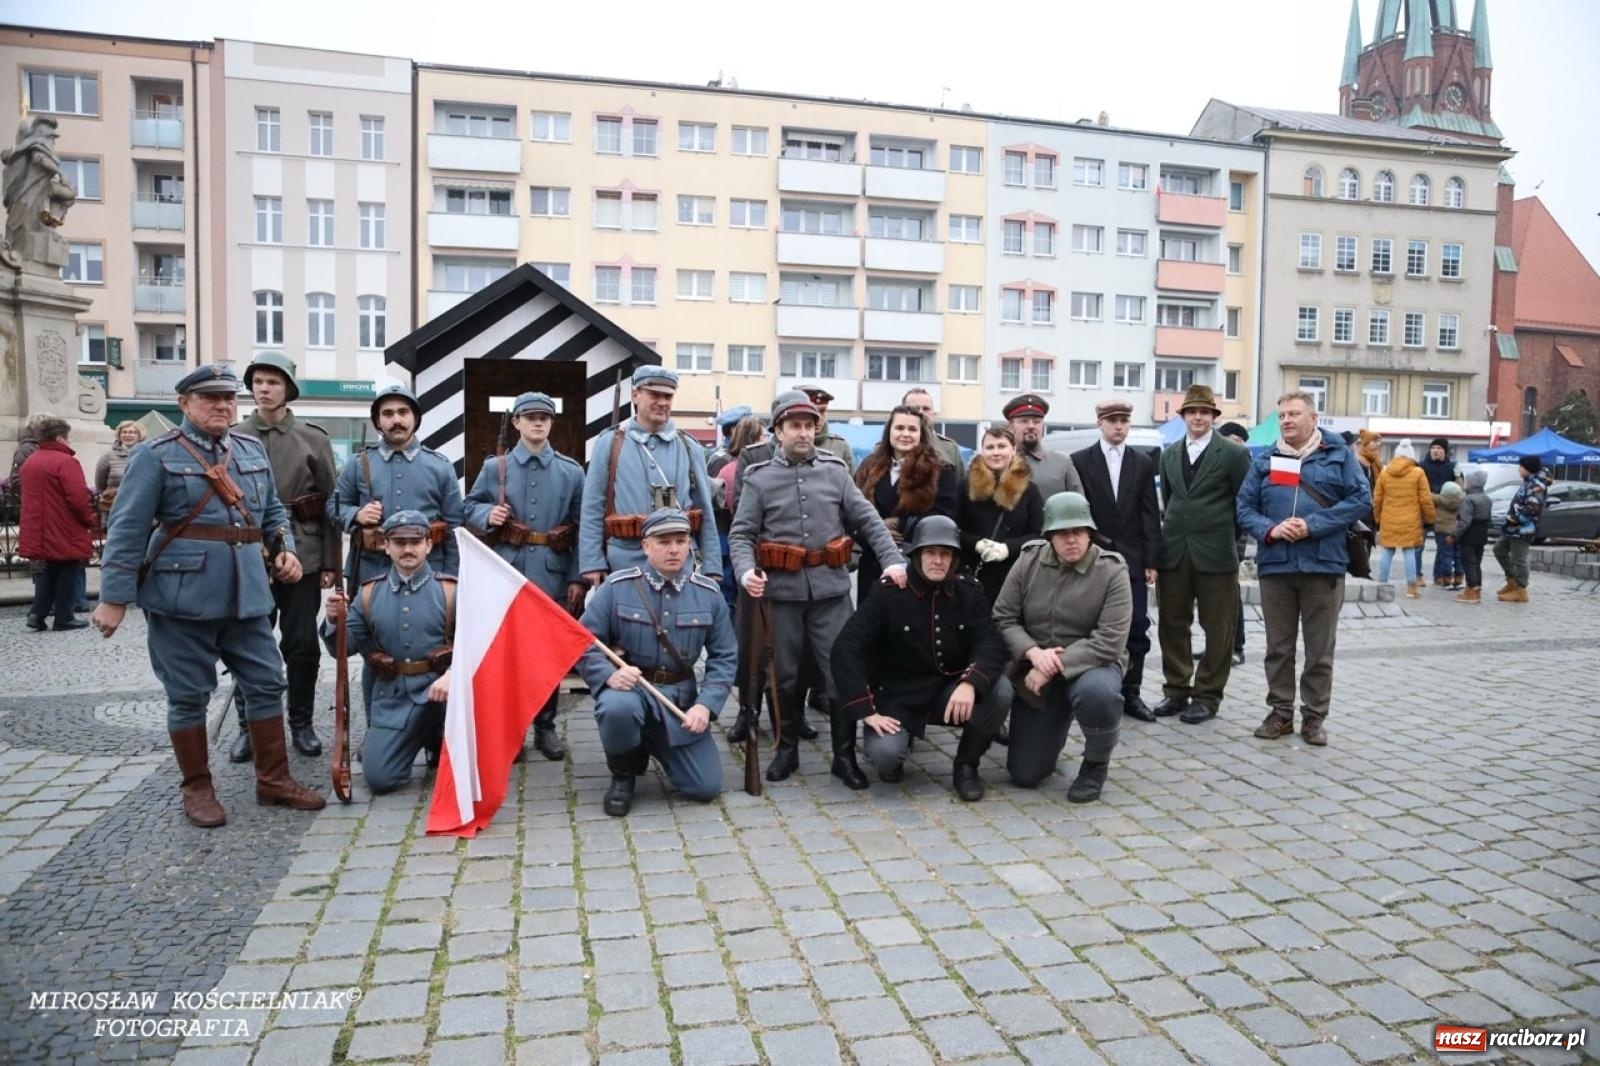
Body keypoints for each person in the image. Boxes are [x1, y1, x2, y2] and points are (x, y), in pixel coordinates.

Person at [93, 365, 324, 827]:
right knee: (188, 694)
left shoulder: (249, 448)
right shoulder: (154, 456)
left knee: (266, 682)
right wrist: (113, 597)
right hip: (183, 596)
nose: (222, 406)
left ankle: (273, 780)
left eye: (227, 399)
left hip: (248, 594)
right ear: (185, 405)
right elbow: (127, 528)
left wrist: (286, 550)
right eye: (209, 399)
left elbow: (273, 511)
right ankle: (197, 789)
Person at [730, 392, 906, 786]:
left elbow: (868, 520)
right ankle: (787, 748)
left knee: (840, 672)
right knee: (785, 674)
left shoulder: (834, 471)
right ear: (778, 431)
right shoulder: (759, 478)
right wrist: (745, 573)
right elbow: (741, 535)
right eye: (795, 426)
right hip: (782, 594)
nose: (804, 433)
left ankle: (843, 757)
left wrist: (893, 560)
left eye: (810, 426)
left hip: (830, 592)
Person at [831, 516, 1009, 799]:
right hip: (898, 696)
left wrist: (970, 683)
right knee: (885, 757)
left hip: (949, 691)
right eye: (930, 552)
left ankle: (966, 766)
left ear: (953, 559)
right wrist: (865, 709)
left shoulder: (969, 592)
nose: (938, 560)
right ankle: (901, 742)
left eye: (945, 554)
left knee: (1000, 691)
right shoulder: (888, 592)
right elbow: (846, 648)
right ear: (916, 555)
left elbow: (989, 642)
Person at [1236, 391, 1371, 746]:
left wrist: (1313, 524)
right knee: (1277, 648)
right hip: (1276, 565)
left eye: (1294, 414)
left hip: (1323, 565)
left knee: (1319, 650)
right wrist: (1271, 529)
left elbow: (1360, 500)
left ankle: (1314, 718)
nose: (1286, 421)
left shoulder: (1339, 455)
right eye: (1281, 416)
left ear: (1314, 417)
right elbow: (1244, 507)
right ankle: (1280, 713)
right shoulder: (1266, 459)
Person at [578, 508, 734, 816]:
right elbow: (582, 640)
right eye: (663, 541)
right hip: (632, 691)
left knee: (704, 787)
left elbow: (725, 656)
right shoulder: (617, 588)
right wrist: (608, 675)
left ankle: (652, 742)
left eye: (681, 540)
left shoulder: (708, 594)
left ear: (690, 544)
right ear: (646, 546)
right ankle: (623, 773)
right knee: (616, 708)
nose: (674, 549)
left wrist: (706, 705)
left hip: (679, 701)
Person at [228, 351, 339, 763]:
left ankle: (301, 723)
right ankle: (250, 727)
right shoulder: (235, 436)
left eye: (273, 382)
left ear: (288, 388)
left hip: (304, 552)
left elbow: (331, 503)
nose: (264, 389)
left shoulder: (313, 438)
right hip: (247, 554)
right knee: (246, 643)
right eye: (258, 381)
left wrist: (329, 561)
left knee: (302, 643)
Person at [464, 391, 585, 761]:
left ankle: (545, 727)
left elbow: (582, 528)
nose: (537, 423)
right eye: (529, 417)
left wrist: (577, 577)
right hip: (507, 570)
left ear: (551, 423)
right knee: (508, 654)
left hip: (552, 572)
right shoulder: (494, 469)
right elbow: (468, 506)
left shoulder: (571, 471)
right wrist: (488, 515)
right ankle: (511, 729)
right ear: (516, 422)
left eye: (544, 418)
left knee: (546, 655)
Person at [993, 492, 1131, 803]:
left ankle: (1095, 764)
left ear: (1090, 533)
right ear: (1049, 536)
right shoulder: (1028, 561)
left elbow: (1110, 641)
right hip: (1036, 665)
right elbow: (1003, 616)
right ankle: (1055, 724)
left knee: (1099, 693)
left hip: (1093, 665)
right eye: (1062, 533)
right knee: (1025, 774)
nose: (1071, 540)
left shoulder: (1112, 570)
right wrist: (1032, 653)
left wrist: (1052, 666)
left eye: (1078, 531)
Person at [322, 511, 456, 794]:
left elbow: (478, 647)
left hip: (444, 698)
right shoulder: (369, 593)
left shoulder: (450, 591)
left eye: (415, 541)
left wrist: (453, 675)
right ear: (386, 545)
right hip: (393, 699)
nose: (408, 549)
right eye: (399, 542)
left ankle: (437, 737)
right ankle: (414, 738)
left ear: (428, 545)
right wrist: (335, 620)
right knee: (380, 778)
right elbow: (341, 650)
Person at [1154, 385, 1252, 724]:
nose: (1198, 417)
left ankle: (1208, 695)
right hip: (1175, 552)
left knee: (1218, 626)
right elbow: (1169, 500)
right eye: (1192, 412)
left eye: (1205, 412)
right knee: (1172, 623)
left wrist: (1225, 537)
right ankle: (1176, 690)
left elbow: (1244, 504)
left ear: (1213, 417)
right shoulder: (1168, 455)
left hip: (1217, 553)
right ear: (1183, 417)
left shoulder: (1234, 454)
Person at [580, 366, 720, 584]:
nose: (662, 402)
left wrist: (712, 567)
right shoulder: (610, 443)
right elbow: (592, 506)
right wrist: (592, 561)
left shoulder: (688, 446)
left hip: (679, 565)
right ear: (635, 395)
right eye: (654, 394)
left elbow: (705, 510)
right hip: (625, 562)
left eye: (668, 396)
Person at [1071, 401, 1163, 721]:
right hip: (1093, 557)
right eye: (1112, 421)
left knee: (1137, 625)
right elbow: (1078, 510)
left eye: (1124, 420)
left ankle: (1132, 692)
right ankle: (1094, 689)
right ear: (1100, 423)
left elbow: (1150, 513)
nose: (1119, 426)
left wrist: (1152, 559)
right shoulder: (1081, 461)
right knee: (1092, 625)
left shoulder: (1142, 461)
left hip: (1133, 559)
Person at [330, 384, 464, 581]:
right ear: (378, 421)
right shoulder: (358, 464)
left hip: (429, 572)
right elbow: (333, 508)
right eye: (388, 414)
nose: (396, 420)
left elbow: (455, 528)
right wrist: (356, 514)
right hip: (372, 571)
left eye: (403, 412)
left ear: (415, 418)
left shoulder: (440, 466)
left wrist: (451, 578)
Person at [852, 404, 958, 601]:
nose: (905, 434)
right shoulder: (869, 466)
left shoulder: (941, 469)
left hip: (917, 562)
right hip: (873, 562)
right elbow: (852, 511)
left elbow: (945, 514)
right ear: (889, 431)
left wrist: (900, 524)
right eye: (899, 428)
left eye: (912, 429)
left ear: (921, 434)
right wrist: (875, 531)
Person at [18, 416, 95, 632]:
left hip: (40, 526)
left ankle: (37, 614)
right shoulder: (65, 462)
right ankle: (64, 617)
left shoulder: (31, 461)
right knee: (68, 570)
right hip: (63, 526)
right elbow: (77, 497)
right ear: (61, 438)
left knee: (50, 571)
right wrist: (89, 519)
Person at [957, 425, 1043, 608]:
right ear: (982, 451)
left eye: (1001, 446)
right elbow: (954, 529)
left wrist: (1008, 548)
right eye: (990, 447)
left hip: (1014, 577)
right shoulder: (965, 486)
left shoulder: (1030, 490)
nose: (996, 452)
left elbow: (1037, 535)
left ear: (1013, 450)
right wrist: (976, 544)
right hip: (973, 575)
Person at [1372, 439, 1433, 598]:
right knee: (1409, 551)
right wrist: (1430, 518)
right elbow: (1425, 499)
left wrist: (1377, 517)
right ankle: (1411, 588)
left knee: (1387, 550)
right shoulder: (1418, 473)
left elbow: (1377, 498)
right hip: (1410, 519)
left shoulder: (1385, 473)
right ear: (1411, 456)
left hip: (1389, 518)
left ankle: (1381, 583)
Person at [1216, 421, 1252, 666]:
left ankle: (1236, 647)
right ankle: (1218, 646)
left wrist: (1233, 533)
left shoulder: (1242, 461)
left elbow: (1245, 502)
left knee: (1231, 593)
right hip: (1218, 536)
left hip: (1233, 537)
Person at [1493, 455, 1551, 604]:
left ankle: (1521, 590)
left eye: (1521, 467)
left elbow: (1533, 507)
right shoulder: (1528, 482)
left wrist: (1516, 519)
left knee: (1519, 559)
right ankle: (1512, 581)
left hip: (1523, 528)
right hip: (1513, 528)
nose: (1519, 469)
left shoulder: (1536, 485)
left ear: (1528, 468)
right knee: (1499, 549)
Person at [1002, 393, 1085, 497]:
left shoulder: (1062, 463)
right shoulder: (998, 462)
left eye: (1037, 422)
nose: (1031, 426)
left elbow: (1078, 506)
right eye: (1024, 421)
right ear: (1010, 427)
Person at [1420, 438, 1464, 584]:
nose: (1435, 451)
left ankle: (1440, 576)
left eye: (1439, 448)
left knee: (1443, 547)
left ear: (1445, 451)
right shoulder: (1422, 467)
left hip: (1445, 514)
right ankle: (1416, 575)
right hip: (1424, 511)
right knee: (1418, 546)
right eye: (1433, 448)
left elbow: (1459, 491)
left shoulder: (1452, 468)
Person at [1450, 469, 1493, 604]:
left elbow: (1465, 521)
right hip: (1482, 534)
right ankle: (1477, 588)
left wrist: (1454, 535)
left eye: (1466, 481)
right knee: (1476, 563)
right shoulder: (1487, 498)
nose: (1464, 483)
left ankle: (1471, 590)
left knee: (1468, 563)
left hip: (1469, 534)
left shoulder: (1468, 499)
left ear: (1472, 484)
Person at [95, 420, 146, 525]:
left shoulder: (148, 455)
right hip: (113, 507)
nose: (128, 435)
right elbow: (100, 483)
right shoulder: (108, 456)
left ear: (140, 435)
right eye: (124, 432)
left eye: (132, 432)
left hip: (140, 506)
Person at [901, 387, 963, 470]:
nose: (921, 413)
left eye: (926, 409)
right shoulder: (886, 448)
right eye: (915, 409)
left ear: (933, 414)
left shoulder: (950, 449)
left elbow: (959, 482)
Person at [798, 385, 856, 471]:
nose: (819, 419)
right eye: (813, 412)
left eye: (822, 411)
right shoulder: (782, 445)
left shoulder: (840, 446)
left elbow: (852, 482)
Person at [1431, 481, 1465, 589]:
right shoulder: (1462, 500)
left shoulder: (1439, 500)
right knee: (1458, 555)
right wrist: (1459, 478)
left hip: (1443, 531)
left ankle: (1446, 578)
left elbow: (1428, 494)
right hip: (1457, 531)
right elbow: (1461, 488)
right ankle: (1459, 578)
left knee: (1446, 555)